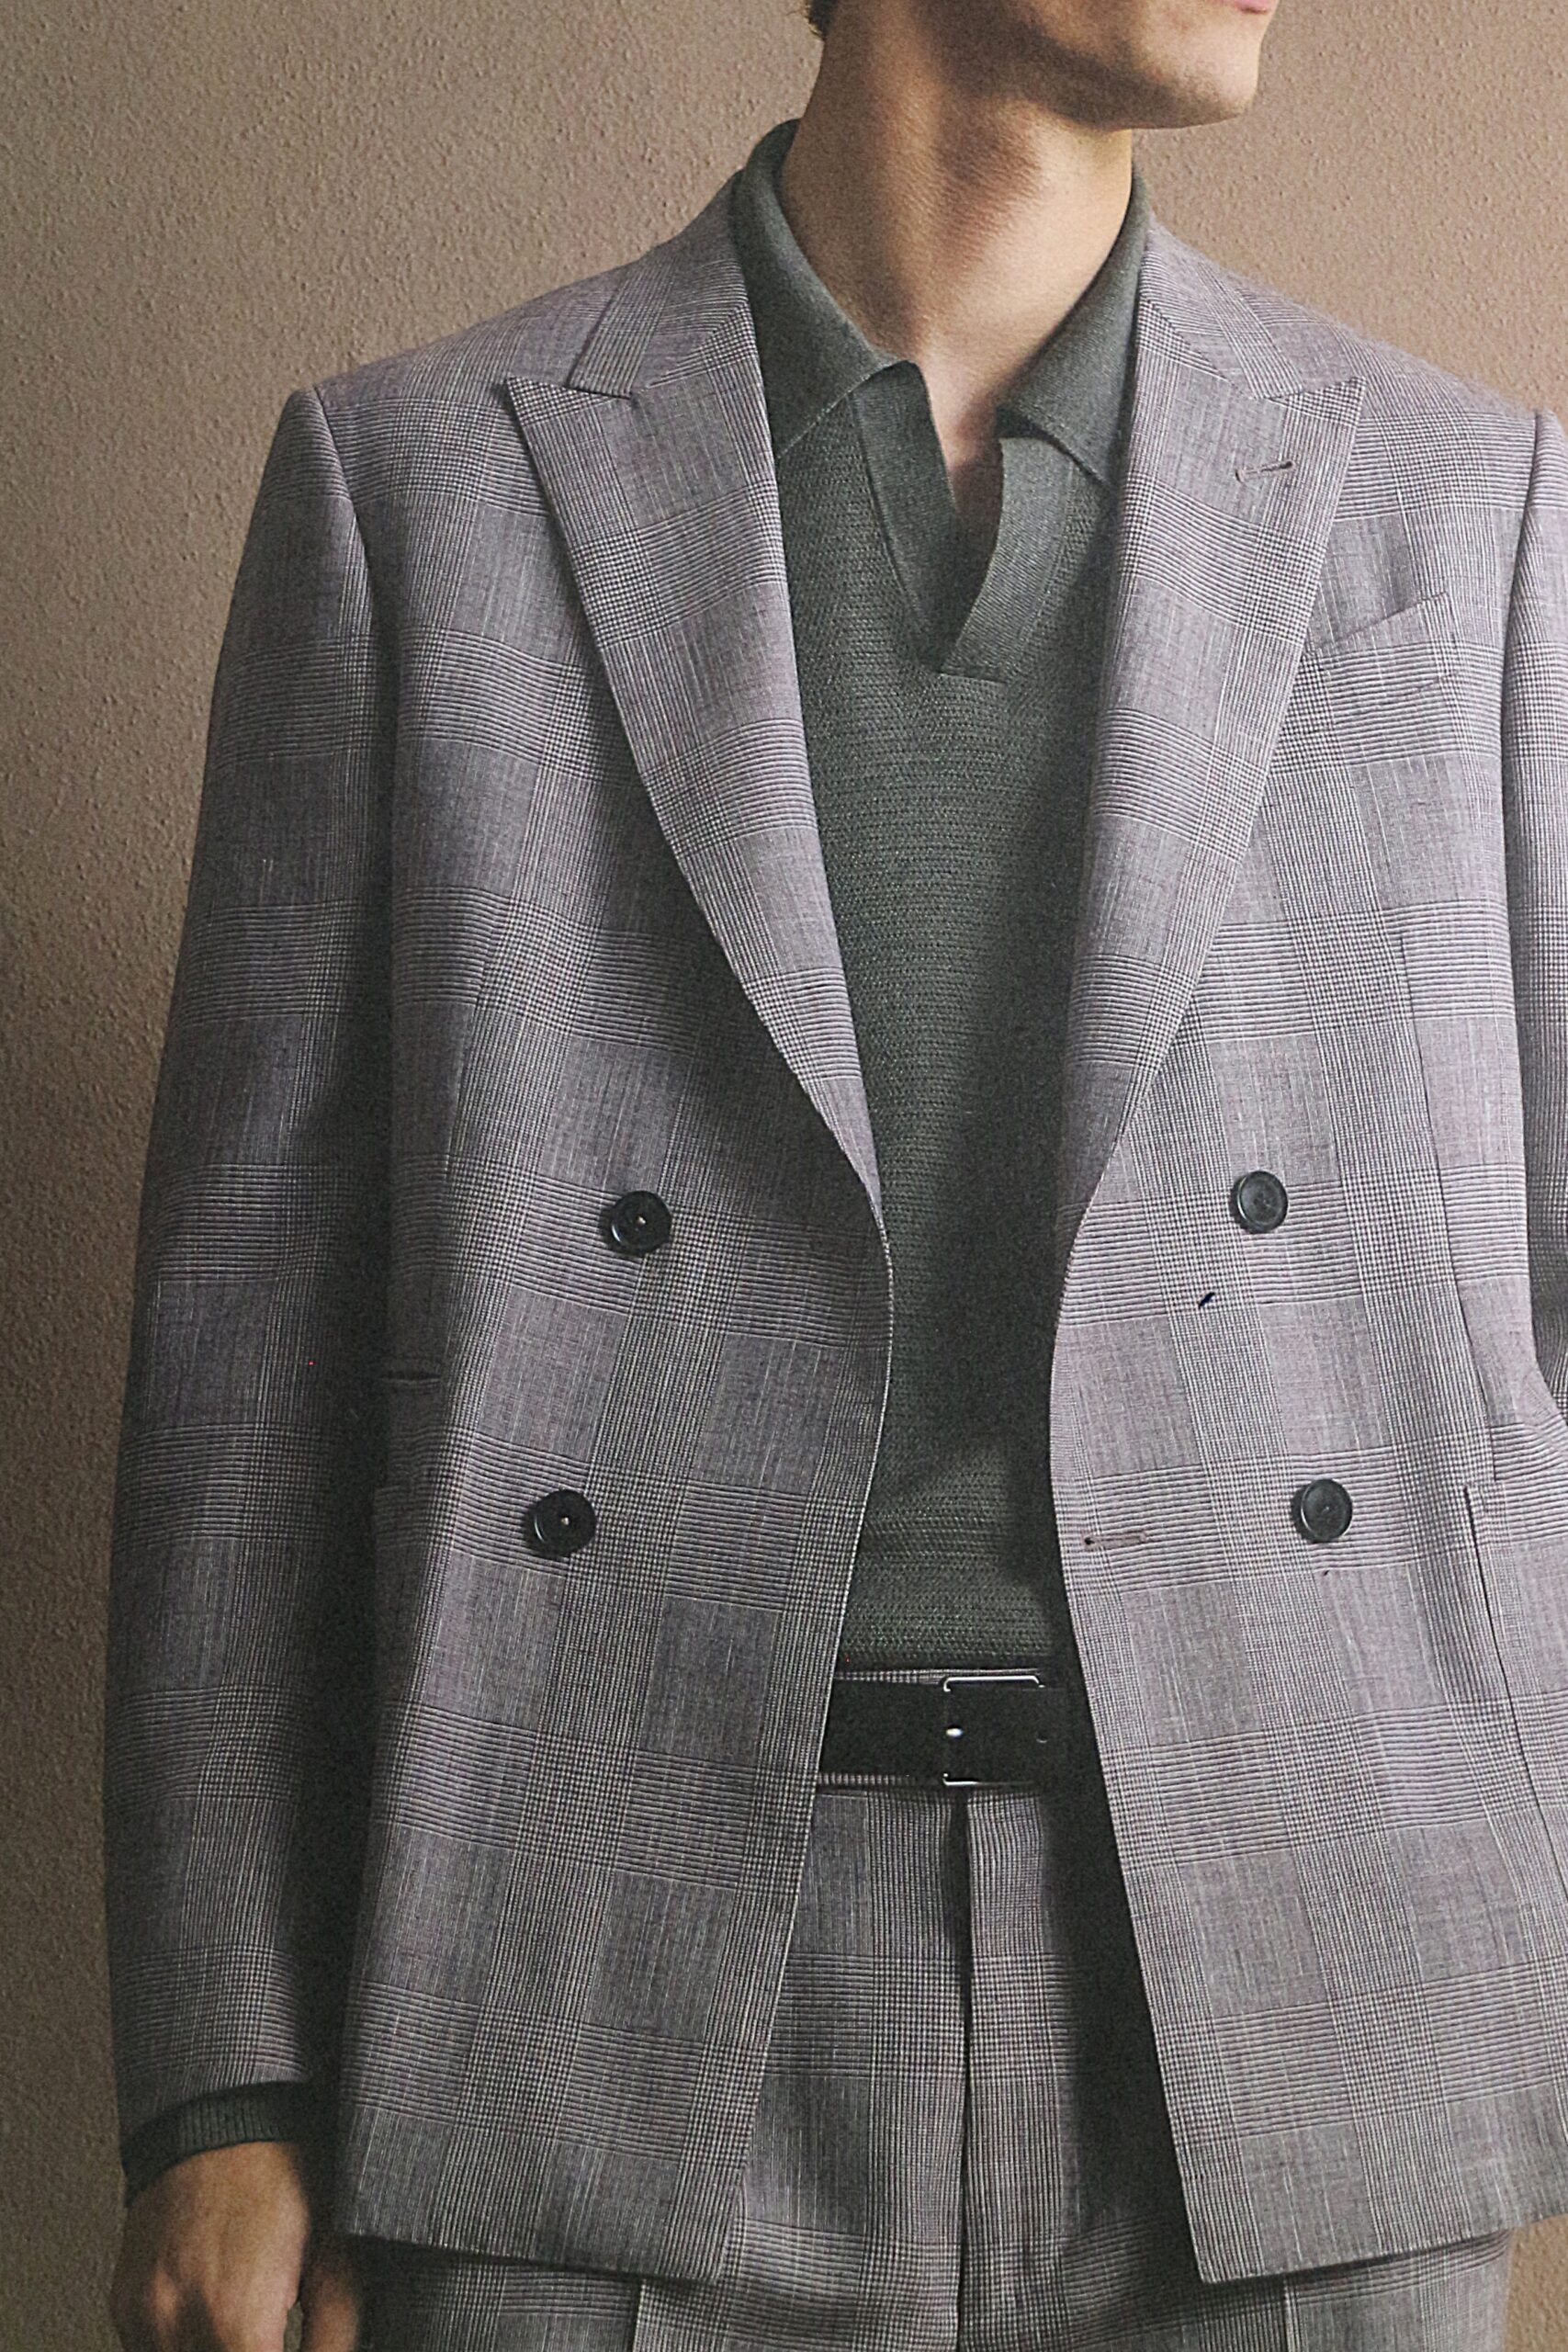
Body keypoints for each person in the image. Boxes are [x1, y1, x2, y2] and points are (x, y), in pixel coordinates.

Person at [104, 0, 1568, 2344]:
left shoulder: (1459, 506)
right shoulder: (423, 486)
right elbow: (249, 1340)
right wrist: (226, 2076)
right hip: (585, 1974)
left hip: (1298, 1985)